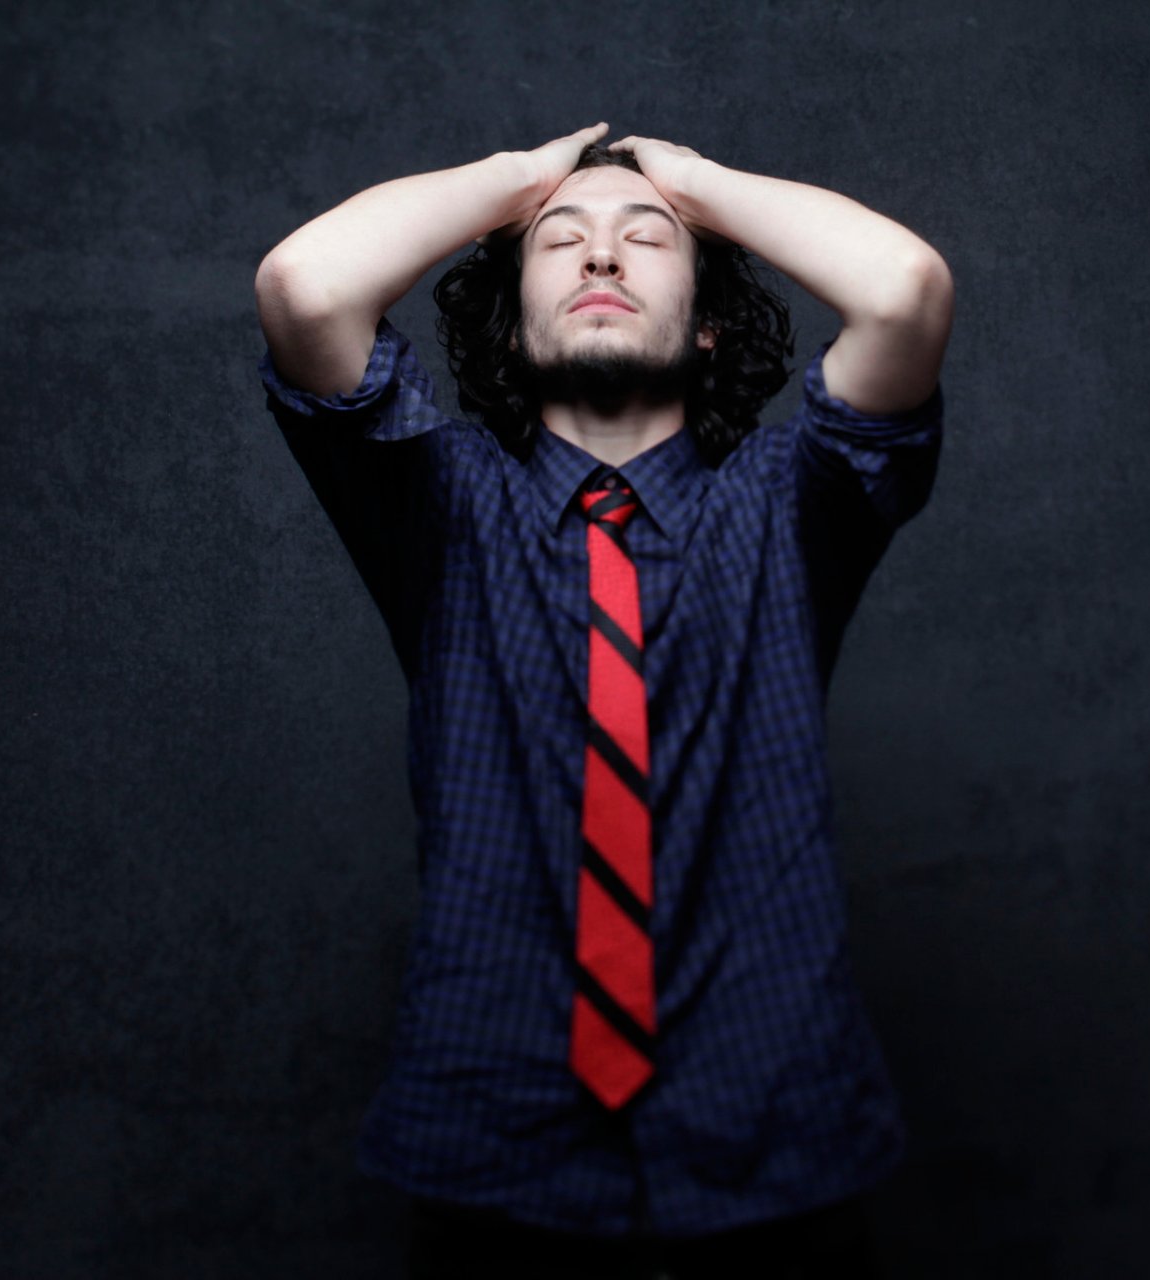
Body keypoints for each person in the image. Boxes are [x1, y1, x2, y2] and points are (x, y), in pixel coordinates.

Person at [253, 123, 953, 1278]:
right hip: (498, 1145)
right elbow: (305, 284)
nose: (601, 260)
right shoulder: (441, 504)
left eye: (647, 245)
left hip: (772, 1136)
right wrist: (524, 182)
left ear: (711, 318)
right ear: (514, 330)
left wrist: (692, 184)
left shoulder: (791, 503)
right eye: (561, 247)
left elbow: (904, 289)